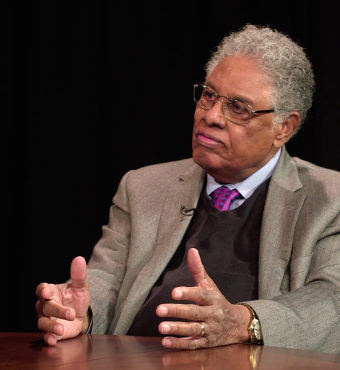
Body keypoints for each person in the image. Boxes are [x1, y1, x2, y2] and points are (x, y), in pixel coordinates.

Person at [35, 24, 340, 354]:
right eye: (209, 95)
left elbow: (332, 301)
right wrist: (81, 311)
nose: (211, 116)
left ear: (284, 127)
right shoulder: (143, 187)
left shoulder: (328, 199)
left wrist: (243, 322)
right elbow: (106, 278)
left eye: (238, 108)